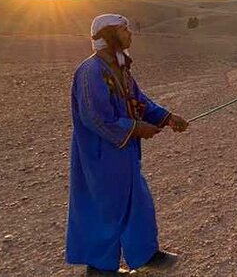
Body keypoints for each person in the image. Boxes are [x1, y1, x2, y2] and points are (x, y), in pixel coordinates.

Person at [66, 14, 189, 276]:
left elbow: (139, 101)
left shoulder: (119, 68)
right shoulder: (90, 72)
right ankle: (100, 268)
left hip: (125, 155)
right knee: (105, 211)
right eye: (124, 30)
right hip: (101, 157)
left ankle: (145, 254)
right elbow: (96, 118)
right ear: (110, 35)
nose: (130, 34)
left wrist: (167, 118)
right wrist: (136, 128)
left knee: (138, 203)